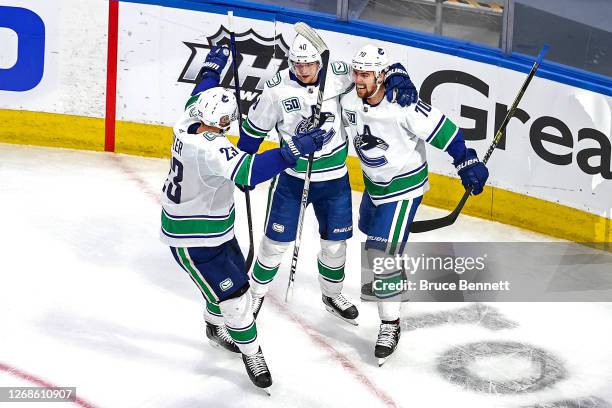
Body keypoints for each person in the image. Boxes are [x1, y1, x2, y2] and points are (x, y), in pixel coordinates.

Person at [160, 46, 325, 392]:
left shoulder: (187, 119)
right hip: (192, 239)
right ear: (222, 122)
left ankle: (212, 325)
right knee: (235, 299)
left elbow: (201, 90)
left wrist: (212, 67)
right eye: (226, 121)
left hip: (215, 227)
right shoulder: (209, 147)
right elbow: (249, 173)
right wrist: (293, 150)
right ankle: (253, 352)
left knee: (233, 287)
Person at [237, 32, 419, 325]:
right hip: (292, 180)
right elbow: (251, 134)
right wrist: (245, 167)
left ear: (318, 62)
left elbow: (373, 70)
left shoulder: (340, 74)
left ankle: (331, 294)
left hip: (335, 182)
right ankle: (255, 296)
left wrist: (400, 74)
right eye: (297, 64)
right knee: (274, 244)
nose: (304, 70)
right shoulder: (276, 89)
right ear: (290, 62)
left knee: (335, 247)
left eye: (309, 64)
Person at [340, 45, 489, 365]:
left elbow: (445, 130)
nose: (359, 79)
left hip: (404, 187)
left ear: (380, 77)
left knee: (381, 253)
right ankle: (391, 280)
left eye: (366, 74)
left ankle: (390, 324)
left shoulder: (403, 104)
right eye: (357, 73)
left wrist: (466, 161)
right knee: (370, 234)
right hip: (373, 185)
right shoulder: (348, 96)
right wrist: (397, 71)